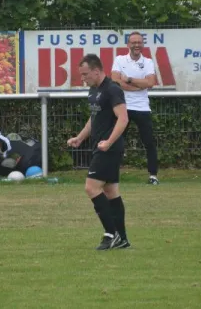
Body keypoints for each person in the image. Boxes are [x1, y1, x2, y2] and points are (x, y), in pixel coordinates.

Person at [67, 54, 130, 250]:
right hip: (101, 147)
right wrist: (80, 137)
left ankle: (111, 234)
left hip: (109, 148)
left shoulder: (112, 90)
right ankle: (123, 240)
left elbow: (123, 118)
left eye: (85, 74)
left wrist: (109, 142)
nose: (83, 78)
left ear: (97, 70)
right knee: (111, 192)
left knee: (91, 187)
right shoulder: (93, 91)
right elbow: (94, 119)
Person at [111, 31, 160, 185]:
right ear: (128, 44)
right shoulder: (119, 59)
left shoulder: (148, 62)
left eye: (139, 42)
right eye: (134, 42)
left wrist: (129, 80)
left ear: (143, 45)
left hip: (142, 108)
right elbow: (114, 80)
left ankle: (153, 176)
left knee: (149, 142)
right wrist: (138, 85)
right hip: (122, 107)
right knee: (116, 141)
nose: (137, 45)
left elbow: (150, 83)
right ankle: (111, 175)